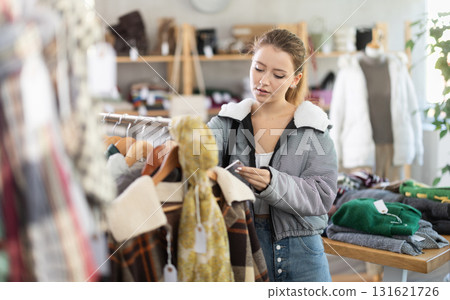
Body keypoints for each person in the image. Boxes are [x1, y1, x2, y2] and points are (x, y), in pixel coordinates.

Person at [207, 28, 338, 282]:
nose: (263, 81)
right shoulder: (227, 122)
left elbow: (322, 195)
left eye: (278, 75)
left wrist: (272, 182)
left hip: (303, 248)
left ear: (295, 79)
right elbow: (197, 155)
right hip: (242, 243)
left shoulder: (313, 127)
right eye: (258, 68)